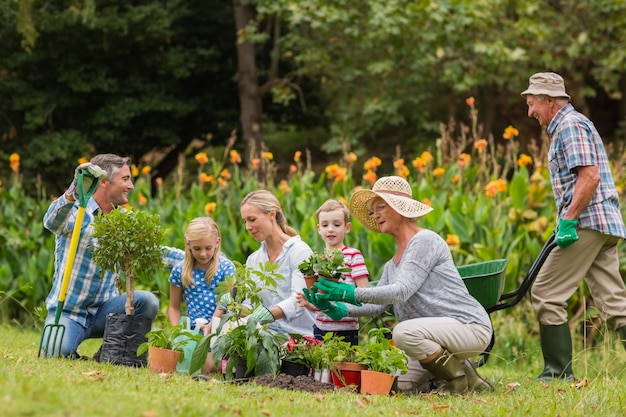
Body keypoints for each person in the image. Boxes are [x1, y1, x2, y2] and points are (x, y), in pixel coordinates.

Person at [304, 176, 493, 395]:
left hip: (469, 326)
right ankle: (466, 372)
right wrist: (338, 309)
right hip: (432, 335)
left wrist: (349, 292)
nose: (374, 214)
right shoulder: (391, 266)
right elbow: (376, 307)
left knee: (402, 333)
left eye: (380, 207)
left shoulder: (424, 241)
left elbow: (401, 291)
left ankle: (457, 380)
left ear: (399, 208)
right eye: (372, 210)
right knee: (397, 385)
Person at [521, 72, 626, 381]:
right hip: (601, 223)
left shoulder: (569, 126)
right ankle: (558, 371)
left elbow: (589, 176)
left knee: (546, 292)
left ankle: (557, 372)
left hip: (588, 222)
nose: (530, 113)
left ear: (550, 101)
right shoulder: (571, 125)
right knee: (614, 302)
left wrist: (568, 220)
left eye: (532, 104)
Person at [42, 154, 184, 359]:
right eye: (125, 179)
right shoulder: (77, 212)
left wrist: (194, 259)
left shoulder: (122, 221)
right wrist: (72, 194)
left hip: (107, 312)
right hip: (69, 313)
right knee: (57, 352)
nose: (131, 186)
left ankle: (114, 352)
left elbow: (154, 251)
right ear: (104, 182)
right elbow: (51, 223)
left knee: (147, 301)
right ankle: (74, 352)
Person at [235, 189, 316, 337]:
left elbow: (298, 301)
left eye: (252, 219)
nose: (247, 227)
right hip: (265, 338)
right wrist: (234, 309)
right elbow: (251, 303)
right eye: (245, 221)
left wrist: (260, 317)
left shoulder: (299, 252)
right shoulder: (253, 260)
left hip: (299, 339)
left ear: (272, 214)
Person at [296, 199, 369, 345]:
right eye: (325, 225)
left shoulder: (353, 255)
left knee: (344, 366)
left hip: (346, 329)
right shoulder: (317, 261)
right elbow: (321, 302)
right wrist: (308, 302)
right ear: (318, 229)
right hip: (320, 328)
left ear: (347, 227)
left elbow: (365, 293)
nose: (330, 229)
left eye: (336, 224)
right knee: (321, 367)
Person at [167, 217, 236, 373]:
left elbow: (225, 301)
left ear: (217, 242)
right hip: (193, 333)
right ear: (188, 244)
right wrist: (177, 333)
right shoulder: (180, 270)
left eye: (208, 248)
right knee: (195, 364)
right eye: (197, 249)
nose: (203, 254)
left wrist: (213, 322)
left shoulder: (226, 268)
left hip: (219, 330)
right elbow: (173, 307)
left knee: (210, 366)